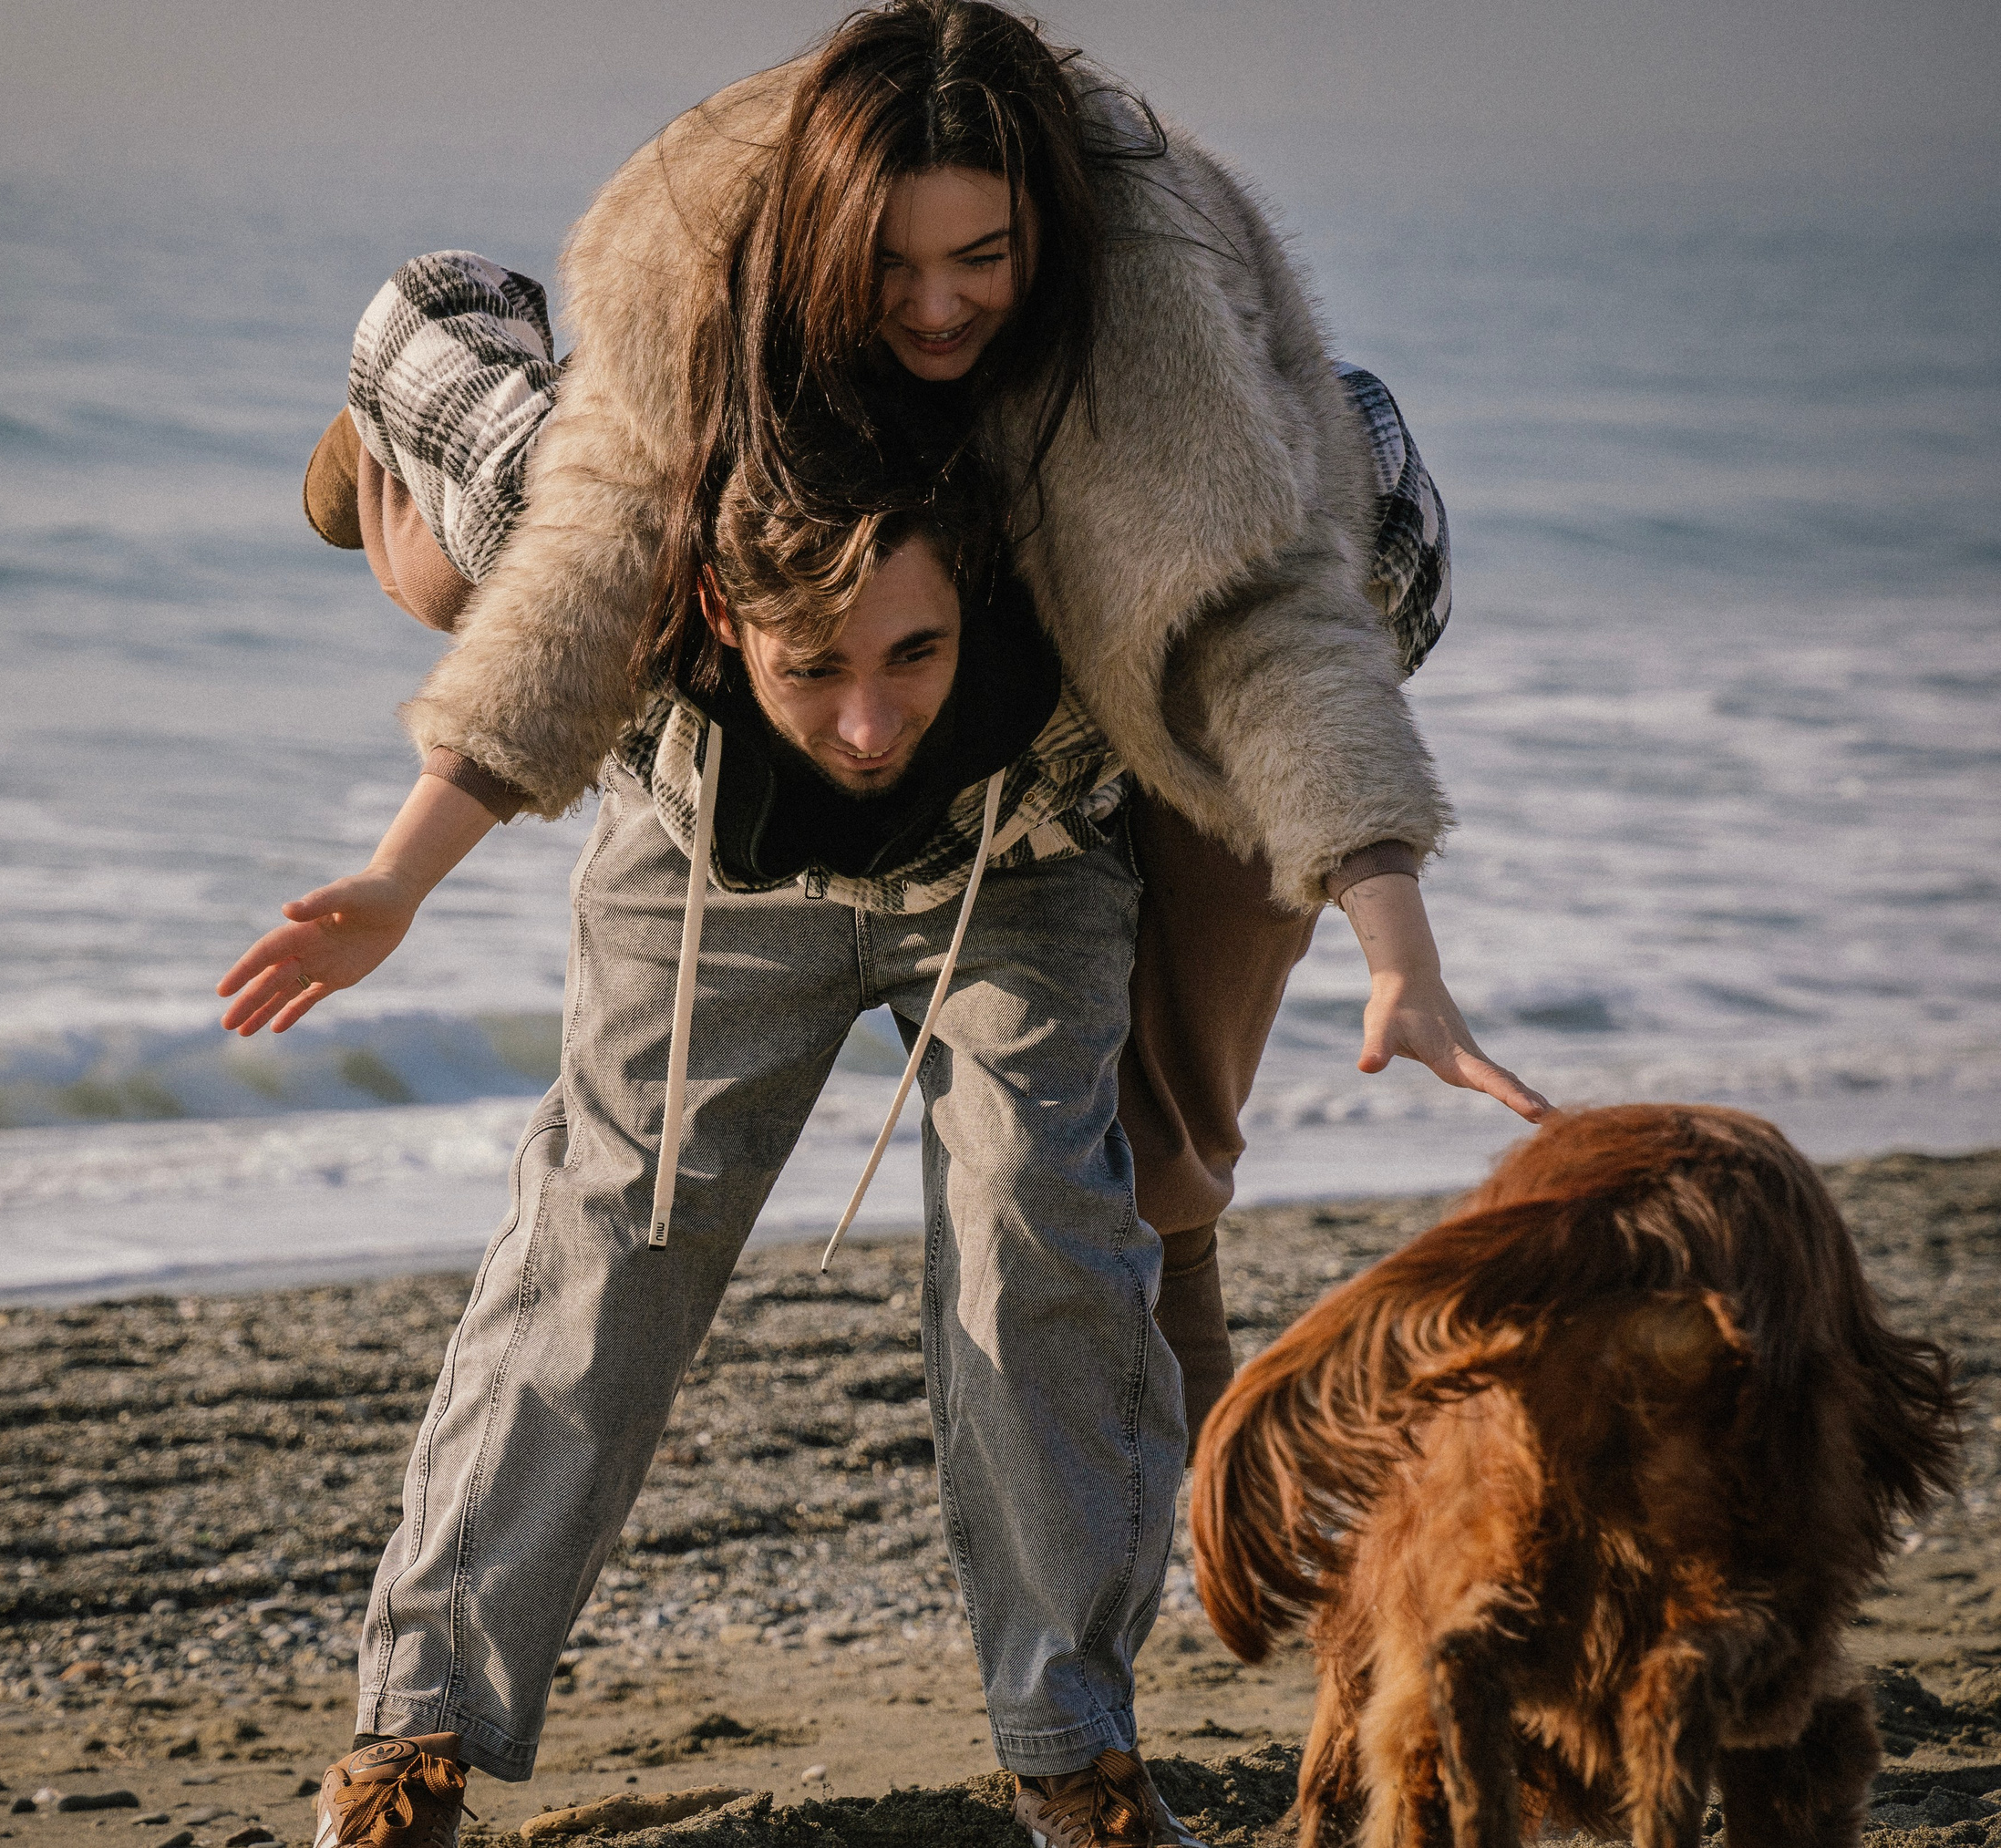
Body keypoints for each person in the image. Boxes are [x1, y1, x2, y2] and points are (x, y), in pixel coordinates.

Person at [228, 5, 1546, 1843]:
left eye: (980, 259)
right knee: (608, 1230)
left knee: (1043, 1230)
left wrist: (1390, 927)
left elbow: (1272, 633)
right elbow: (586, 585)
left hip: (1020, 848)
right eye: (896, 265)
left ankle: (1073, 1753)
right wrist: (396, 874)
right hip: (707, 822)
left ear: (1046, 239)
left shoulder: (1146, 338)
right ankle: (410, 1736)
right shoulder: (704, 307)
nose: (935, 305)